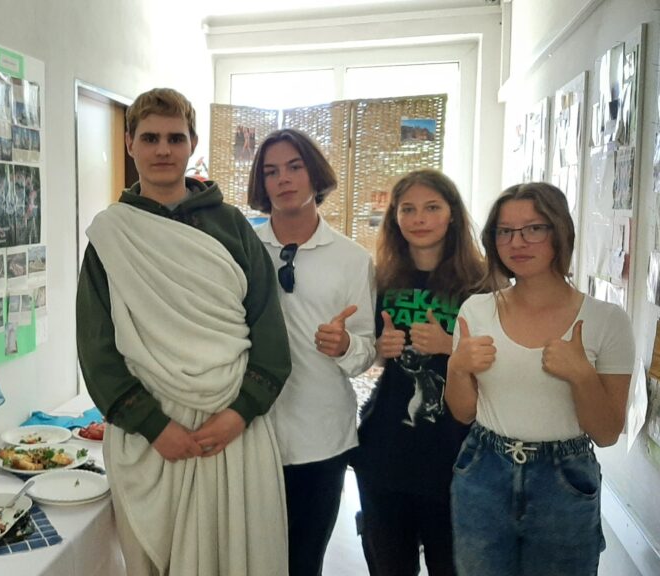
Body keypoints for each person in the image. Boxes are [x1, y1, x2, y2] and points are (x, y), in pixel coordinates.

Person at [76, 88, 292, 576]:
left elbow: (269, 331)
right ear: (129, 143)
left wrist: (240, 413)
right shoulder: (110, 236)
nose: (163, 150)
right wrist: (154, 426)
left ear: (192, 143)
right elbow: (96, 349)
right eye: (150, 138)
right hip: (149, 439)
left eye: (175, 138)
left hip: (232, 429)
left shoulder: (232, 226)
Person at [446, 182, 633, 575]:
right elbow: (462, 413)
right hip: (483, 470)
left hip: (565, 479)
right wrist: (457, 367)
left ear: (559, 231)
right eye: (505, 231)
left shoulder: (606, 320)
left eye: (534, 228)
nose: (517, 242)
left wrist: (582, 376)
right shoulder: (476, 310)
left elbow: (606, 433)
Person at [248, 128, 376, 576]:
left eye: (294, 167)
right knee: (250, 560)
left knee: (304, 562)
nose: (283, 179)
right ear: (261, 184)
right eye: (271, 171)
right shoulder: (243, 249)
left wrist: (346, 345)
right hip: (250, 431)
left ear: (314, 173)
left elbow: (366, 351)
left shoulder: (351, 258)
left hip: (321, 436)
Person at [351, 170, 486, 576]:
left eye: (431, 207)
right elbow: (367, 357)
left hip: (456, 454)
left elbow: (502, 365)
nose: (419, 219)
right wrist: (379, 349)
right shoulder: (380, 279)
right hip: (386, 451)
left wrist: (450, 347)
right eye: (407, 209)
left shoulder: (481, 284)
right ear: (394, 217)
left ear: (452, 214)